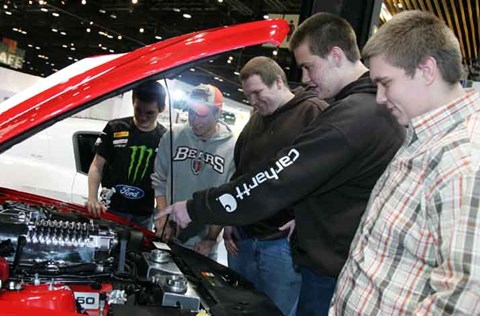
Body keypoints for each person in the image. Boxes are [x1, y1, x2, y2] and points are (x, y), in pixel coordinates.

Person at [158, 12, 405, 315]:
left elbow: (275, 179)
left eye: (308, 66)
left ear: (336, 55)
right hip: (331, 258)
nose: (304, 78)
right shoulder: (360, 111)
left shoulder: (352, 116)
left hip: (329, 269)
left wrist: (196, 207)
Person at [331, 11, 480, 315]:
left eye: (386, 82)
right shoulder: (424, 136)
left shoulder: (466, 157)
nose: (380, 98)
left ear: (426, 70)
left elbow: (464, 297)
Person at [224, 56, 327, 315]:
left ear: (278, 81)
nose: (253, 101)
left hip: (281, 245)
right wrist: (229, 219)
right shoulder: (255, 121)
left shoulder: (312, 111)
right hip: (244, 239)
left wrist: (307, 217)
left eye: (257, 93)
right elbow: (241, 174)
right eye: (248, 96)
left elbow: (329, 173)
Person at [152, 84, 236, 260]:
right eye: (191, 112)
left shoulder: (232, 148)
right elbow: (159, 181)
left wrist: (211, 238)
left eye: (202, 114)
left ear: (218, 114)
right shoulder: (173, 136)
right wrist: (164, 220)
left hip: (203, 246)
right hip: (168, 236)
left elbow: (226, 198)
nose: (194, 120)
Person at [87, 80, 167, 229]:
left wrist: (162, 213)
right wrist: (92, 198)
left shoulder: (165, 139)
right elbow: (97, 165)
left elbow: (164, 181)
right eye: (138, 110)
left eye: (149, 113)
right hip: (110, 209)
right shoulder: (114, 128)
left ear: (161, 108)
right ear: (133, 102)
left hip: (143, 215)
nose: (142, 117)